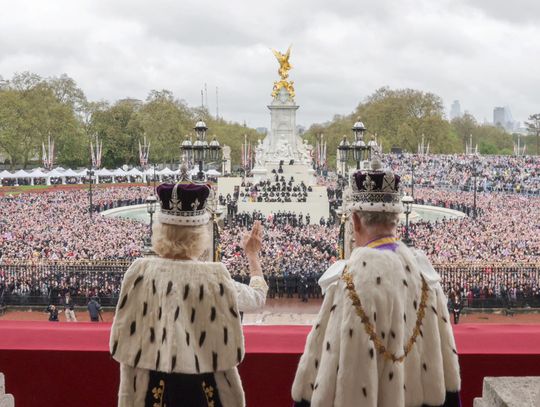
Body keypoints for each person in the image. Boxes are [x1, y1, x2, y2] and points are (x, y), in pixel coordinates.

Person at [292, 158, 461, 407]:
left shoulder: (347, 281)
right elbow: (446, 372)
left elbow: (324, 366)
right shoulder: (426, 277)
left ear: (356, 222)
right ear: (395, 220)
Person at [110, 181, 268, 407]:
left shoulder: (138, 272)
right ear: (199, 235)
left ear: (160, 231)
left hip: (150, 389)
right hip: (205, 389)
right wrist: (252, 256)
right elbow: (257, 298)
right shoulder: (214, 277)